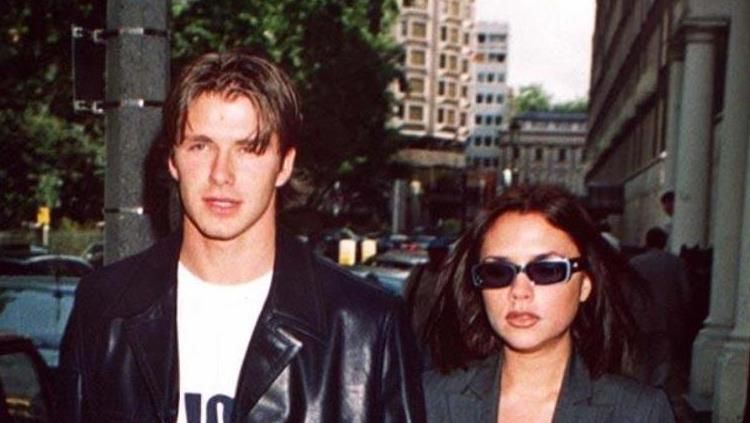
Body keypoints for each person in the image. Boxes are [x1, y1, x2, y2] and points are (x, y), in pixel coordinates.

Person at [59, 50, 425, 422]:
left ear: (284, 165)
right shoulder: (103, 307)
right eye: (201, 146)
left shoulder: (366, 328)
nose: (222, 173)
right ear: (173, 159)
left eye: (249, 149)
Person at [421, 184, 674, 422]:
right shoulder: (429, 400)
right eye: (497, 272)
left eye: (546, 270)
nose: (519, 291)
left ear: (585, 285)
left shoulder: (638, 413)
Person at [629, 227, 691, 388]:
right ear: (664, 242)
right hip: (667, 317)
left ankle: (641, 386)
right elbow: (685, 291)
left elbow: (628, 291)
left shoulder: (635, 263)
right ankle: (657, 386)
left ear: (647, 242)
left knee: (641, 357)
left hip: (640, 317)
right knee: (663, 356)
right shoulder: (676, 263)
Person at [404, 237, 451, 345]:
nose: (437, 256)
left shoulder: (448, 276)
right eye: (434, 252)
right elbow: (407, 296)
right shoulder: (419, 273)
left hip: (439, 334)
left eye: (441, 253)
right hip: (416, 330)